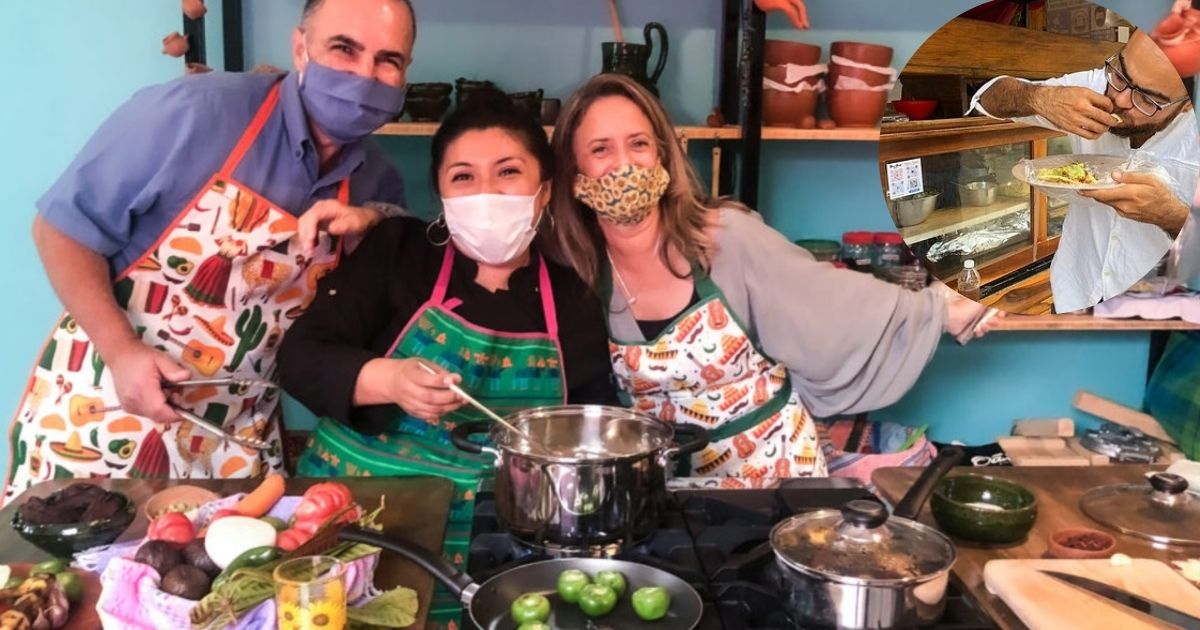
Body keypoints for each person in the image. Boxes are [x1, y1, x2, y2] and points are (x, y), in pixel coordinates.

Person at [3, 0, 415, 503]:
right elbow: (61, 230)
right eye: (344, 49)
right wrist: (122, 352)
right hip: (107, 412)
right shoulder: (193, 113)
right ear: (301, 48)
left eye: (388, 60)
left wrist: (376, 219)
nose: (364, 75)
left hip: (235, 438)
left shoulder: (377, 183)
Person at [547, 73, 992, 489]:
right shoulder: (578, 269)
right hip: (666, 488)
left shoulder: (724, 238)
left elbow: (828, 300)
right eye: (601, 150)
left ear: (662, 153)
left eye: (639, 144)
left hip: (772, 474)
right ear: (574, 173)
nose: (625, 165)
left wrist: (939, 312)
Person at [277, 88, 616, 483]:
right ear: (441, 194)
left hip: (499, 506)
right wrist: (391, 380)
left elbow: (589, 427)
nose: (486, 192)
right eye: (463, 176)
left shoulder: (572, 295)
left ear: (545, 191)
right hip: (358, 491)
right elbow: (300, 357)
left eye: (508, 172)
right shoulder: (399, 249)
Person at [969, 30, 1198, 314]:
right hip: (1075, 290)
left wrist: (1172, 216)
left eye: (1147, 99)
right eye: (1121, 75)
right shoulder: (1094, 85)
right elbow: (985, 96)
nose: (1120, 99)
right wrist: (1039, 98)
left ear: (1187, 104)